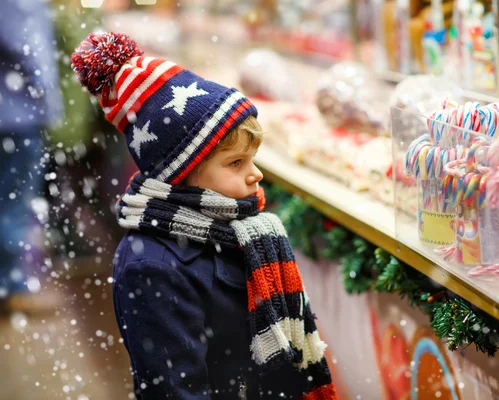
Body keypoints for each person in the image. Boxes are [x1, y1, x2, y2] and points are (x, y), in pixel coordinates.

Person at [71, 32, 338, 400]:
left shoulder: (238, 231)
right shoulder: (150, 266)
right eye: (235, 163)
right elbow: (176, 391)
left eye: (252, 158)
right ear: (182, 174)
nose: (255, 174)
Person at [0, 0, 63, 311]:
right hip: (16, 113)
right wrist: (46, 93)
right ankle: (11, 288)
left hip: (13, 110)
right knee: (13, 202)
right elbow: (22, 42)